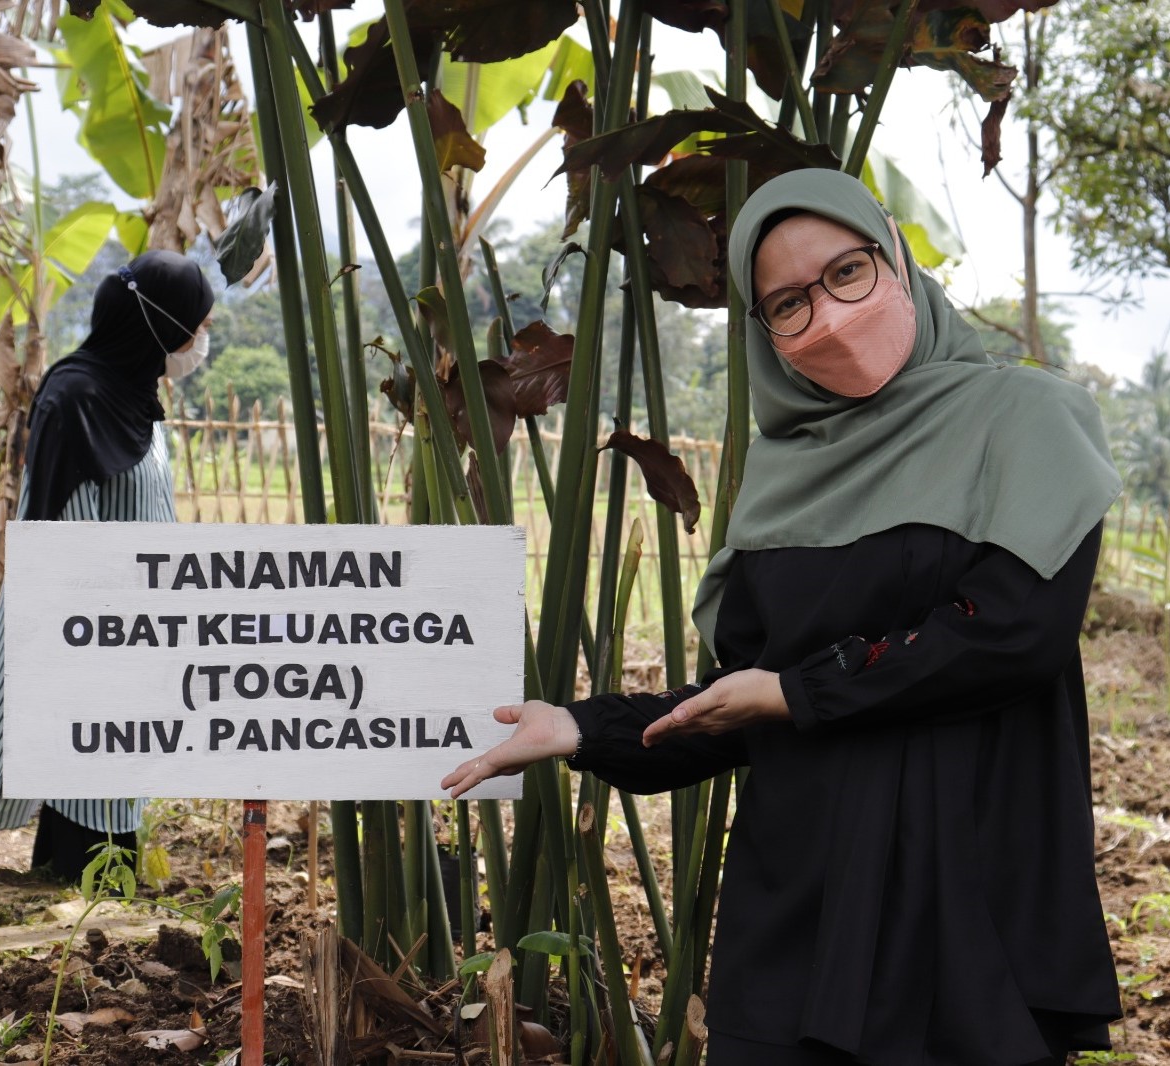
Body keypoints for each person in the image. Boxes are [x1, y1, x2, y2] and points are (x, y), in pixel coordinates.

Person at [443, 169, 1124, 1065]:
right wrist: (581, 727)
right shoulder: (783, 471)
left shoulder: (1026, 419)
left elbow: (1006, 636)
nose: (830, 315)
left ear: (892, 251)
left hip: (967, 893)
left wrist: (798, 692)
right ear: (762, 333)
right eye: (788, 304)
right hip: (801, 895)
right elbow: (744, 701)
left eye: (846, 273)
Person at [0, 249, 214, 882]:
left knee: (112, 773)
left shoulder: (136, 395)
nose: (201, 340)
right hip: (91, 616)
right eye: (195, 327)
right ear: (158, 325)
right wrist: (106, 621)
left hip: (136, 621)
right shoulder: (76, 397)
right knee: (86, 766)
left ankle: (90, 895)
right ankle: (76, 901)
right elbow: (66, 528)